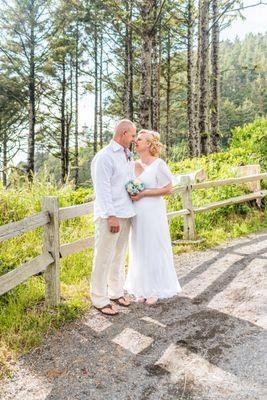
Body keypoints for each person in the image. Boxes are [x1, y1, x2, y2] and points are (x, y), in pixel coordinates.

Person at [124, 129, 181, 304]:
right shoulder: (132, 164)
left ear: (149, 144)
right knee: (139, 248)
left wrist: (144, 193)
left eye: (139, 139)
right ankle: (142, 288)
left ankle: (157, 288)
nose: (136, 141)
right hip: (137, 213)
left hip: (153, 211)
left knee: (155, 247)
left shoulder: (159, 164)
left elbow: (168, 188)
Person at [90, 119, 136, 315]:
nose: (134, 140)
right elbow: (103, 190)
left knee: (118, 255)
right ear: (124, 133)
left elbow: (125, 183)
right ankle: (99, 298)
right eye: (133, 135)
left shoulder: (127, 156)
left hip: (126, 212)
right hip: (112, 215)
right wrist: (111, 216)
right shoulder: (105, 157)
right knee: (103, 257)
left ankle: (116, 291)